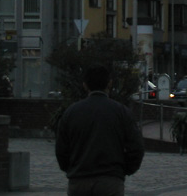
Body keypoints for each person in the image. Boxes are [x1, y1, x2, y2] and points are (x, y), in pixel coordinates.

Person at [56, 64, 145, 196]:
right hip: (110, 181)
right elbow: (136, 148)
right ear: (109, 84)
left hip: (79, 180)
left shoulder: (71, 112)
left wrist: (72, 168)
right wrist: (123, 170)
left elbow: (61, 149)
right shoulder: (121, 112)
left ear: (85, 85)